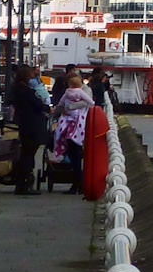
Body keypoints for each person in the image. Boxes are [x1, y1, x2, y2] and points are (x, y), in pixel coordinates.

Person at [7, 63, 48, 195]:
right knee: (28, 154)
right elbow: (37, 104)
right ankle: (23, 183)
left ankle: (22, 182)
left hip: (25, 124)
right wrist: (48, 108)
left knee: (26, 153)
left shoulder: (18, 89)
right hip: (32, 126)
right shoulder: (26, 91)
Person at [50, 73, 93, 195]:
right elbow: (61, 104)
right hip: (72, 124)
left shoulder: (85, 90)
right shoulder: (72, 91)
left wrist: (69, 107)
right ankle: (78, 182)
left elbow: (88, 103)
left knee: (76, 154)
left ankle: (78, 183)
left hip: (78, 125)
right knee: (74, 154)